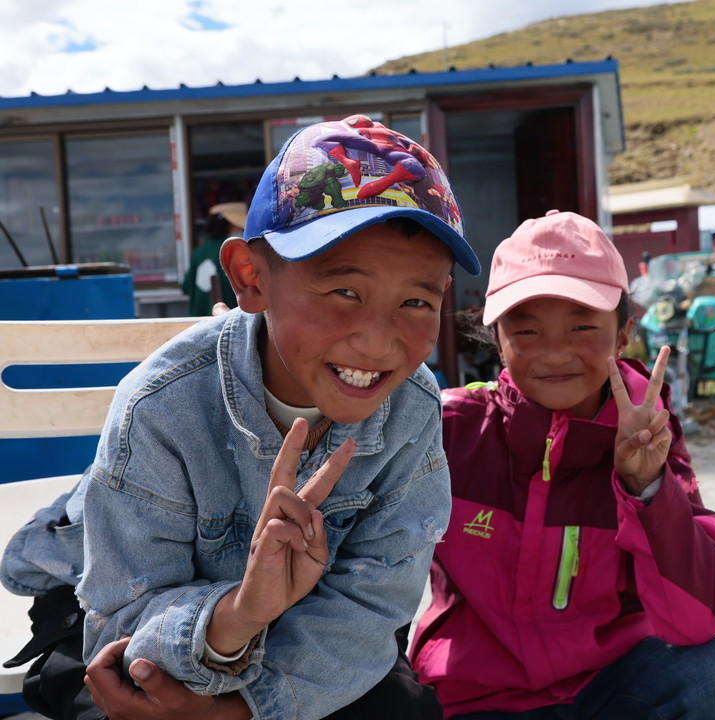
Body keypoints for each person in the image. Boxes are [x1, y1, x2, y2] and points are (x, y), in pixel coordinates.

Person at [1, 114, 481, 720]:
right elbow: (120, 622)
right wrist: (238, 615)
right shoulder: (163, 406)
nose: (380, 343)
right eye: (345, 292)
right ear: (251, 278)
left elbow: (372, 606)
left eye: (416, 301)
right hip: (121, 612)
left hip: (300, 636)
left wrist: (243, 712)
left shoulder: (411, 407)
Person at [409, 210, 715, 719]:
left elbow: (701, 617)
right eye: (527, 330)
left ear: (623, 334)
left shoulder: (649, 436)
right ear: (498, 338)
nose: (555, 353)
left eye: (582, 326)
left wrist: (647, 488)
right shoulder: (449, 429)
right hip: (474, 696)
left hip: (610, 688)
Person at [182, 201, 246, 315]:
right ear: (230, 225)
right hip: (228, 318)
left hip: (199, 321)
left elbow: (186, 287)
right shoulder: (232, 248)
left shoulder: (199, 251)